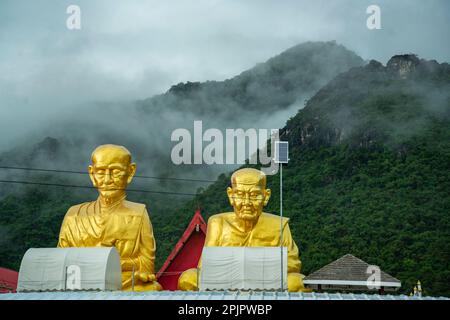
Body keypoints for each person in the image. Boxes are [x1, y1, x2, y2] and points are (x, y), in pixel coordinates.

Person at [178, 167, 308, 292]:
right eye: (240, 194)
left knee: (299, 282)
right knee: (188, 278)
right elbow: (205, 267)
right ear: (231, 195)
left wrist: (241, 266)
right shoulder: (218, 223)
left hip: (265, 282)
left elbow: (293, 264)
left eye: (254, 195)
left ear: (266, 196)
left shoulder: (279, 225)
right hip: (226, 282)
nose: (247, 202)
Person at [58, 144, 162, 291]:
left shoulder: (139, 213)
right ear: (91, 174)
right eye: (100, 172)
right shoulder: (74, 215)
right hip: (81, 284)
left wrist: (108, 262)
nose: (107, 180)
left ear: (130, 172)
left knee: (152, 289)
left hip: (124, 283)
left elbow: (147, 264)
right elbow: (60, 262)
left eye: (116, 171)